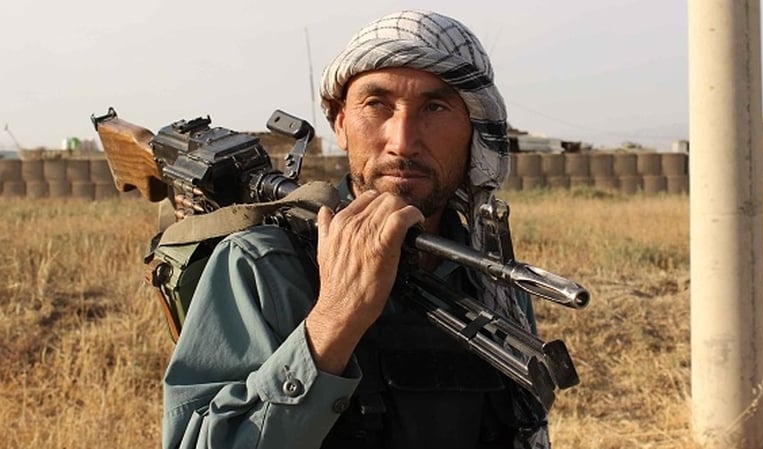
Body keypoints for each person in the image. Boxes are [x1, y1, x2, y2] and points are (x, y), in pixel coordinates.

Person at [162, 9, 549, 449]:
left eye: (435, 107)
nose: (402, 142)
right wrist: (334, 320)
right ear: (340, 122)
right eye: (376, 104)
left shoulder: (495, 283)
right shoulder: (261, 264)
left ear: (473, 131)